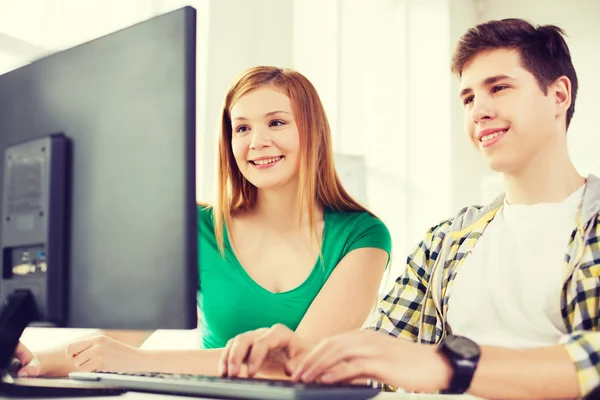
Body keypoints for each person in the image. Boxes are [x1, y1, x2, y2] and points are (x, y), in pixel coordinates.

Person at [220, 19, 600, 399]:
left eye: (498, 88)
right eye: (467, 98)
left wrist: (445, 365)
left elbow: (592, 361)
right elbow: (379, 351)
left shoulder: (592, 228)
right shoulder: (445, 242)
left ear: (558, 95)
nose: (478, 110)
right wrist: (308, 357)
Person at [13, 66, 391, 378]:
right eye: (241, 128)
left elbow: (300, 361)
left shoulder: (363, 236)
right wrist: (33, 362)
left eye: (276, 122)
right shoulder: (199, 227)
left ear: (312, 132)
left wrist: (140, 364)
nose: (256, 141)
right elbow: (118, 339)